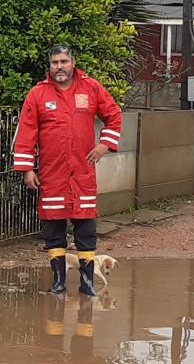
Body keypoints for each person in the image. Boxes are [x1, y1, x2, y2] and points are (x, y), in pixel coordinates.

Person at [12, 45, 122, 296]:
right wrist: (27, 169)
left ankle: (87, 283)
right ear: (49, 66)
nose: (59, 66)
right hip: (52, 175)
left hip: (83, 173)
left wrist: (105, 143)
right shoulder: (38, 94)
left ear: (73, 62)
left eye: (63, 61)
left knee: (86, 229)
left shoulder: (91, 88)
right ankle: (59, 282)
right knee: (54, 230)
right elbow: (26, 133)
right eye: (54, 62)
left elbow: (113, 114)